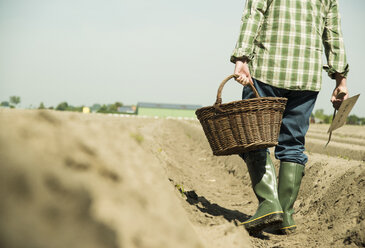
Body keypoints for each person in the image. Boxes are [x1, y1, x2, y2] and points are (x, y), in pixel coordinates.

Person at [231, 0, 349, 234]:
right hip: (306, 76)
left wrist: (241, 58)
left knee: (253, 138)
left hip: (268, 70)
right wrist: (340, 79)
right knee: (293, 145)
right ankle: (285, 216)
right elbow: (333, 32)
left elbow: (254, 14)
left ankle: (268, 205)